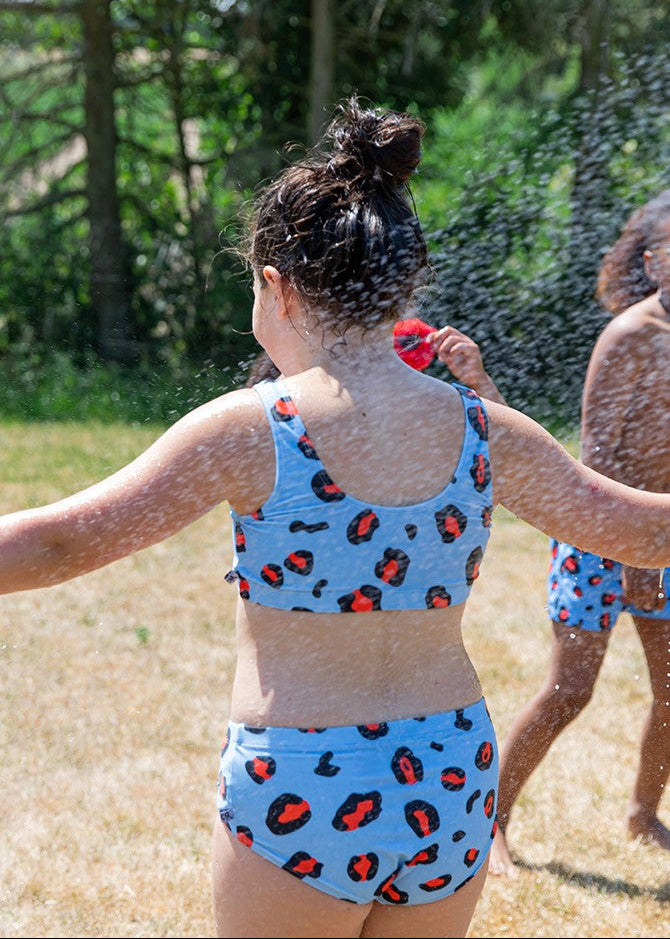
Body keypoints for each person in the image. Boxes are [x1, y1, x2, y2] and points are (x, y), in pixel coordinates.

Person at [2, 99, 670, 939]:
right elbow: (646, 529)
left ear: (277, 288)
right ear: (405, 288)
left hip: (307, 778)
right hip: (449, 775)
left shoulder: (253, 428)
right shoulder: (485, 428)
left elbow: (61, 539)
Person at [474, 189, 670, 877]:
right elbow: (596, 456)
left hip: (664, 536)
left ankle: (643, 813)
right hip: (601, 532)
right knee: (569, 691)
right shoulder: (631, 337)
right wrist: (627, 550)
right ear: (655, 260)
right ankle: (488, 823)